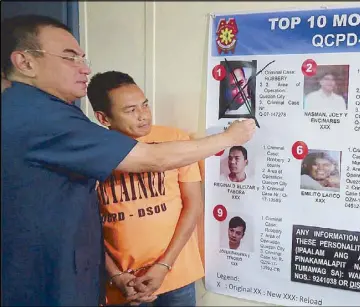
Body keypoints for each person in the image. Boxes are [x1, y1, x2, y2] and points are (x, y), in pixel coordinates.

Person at [1, 15, 255, 306]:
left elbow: (191, 203)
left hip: (139, 277)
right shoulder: (39, 116)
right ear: (25, 62)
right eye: (70, 58)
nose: (84, 69)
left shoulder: (45, 113)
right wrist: (229, 137)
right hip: (50, 283)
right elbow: (154, 158)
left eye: (84, 58)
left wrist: (164, 265)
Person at [86, 71, 205, 306]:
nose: (143, 116)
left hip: (176, 273)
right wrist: (116, 275)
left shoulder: (175, 140)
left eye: (145, 105)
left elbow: (193, 204)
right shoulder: (90, 152)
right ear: (104, 118)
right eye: (131, 111)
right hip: (123, 283)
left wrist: (164, 265)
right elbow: (85, 225)